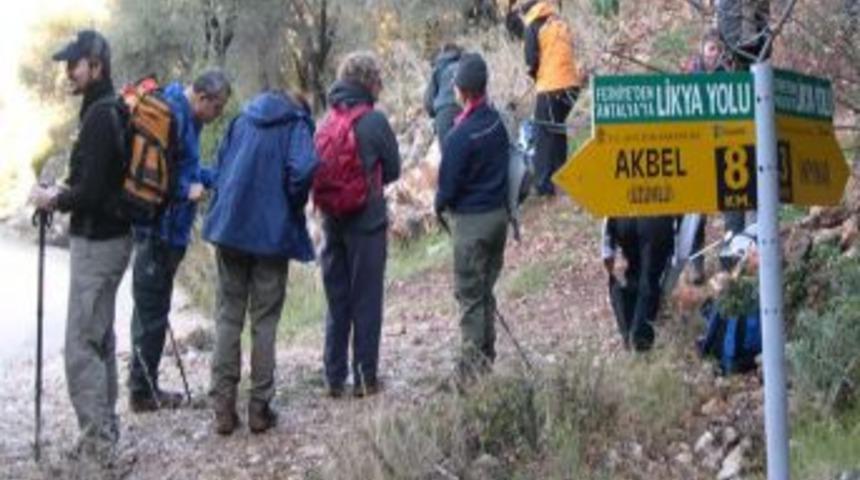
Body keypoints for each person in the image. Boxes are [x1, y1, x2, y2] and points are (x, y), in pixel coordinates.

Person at [29, 29, 132, 461]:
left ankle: (101, 449)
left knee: (79, 347)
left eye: (76, 64)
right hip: (112, 239)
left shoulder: (99, 116)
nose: (70, 71)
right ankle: (102, 433)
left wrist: (54, 197)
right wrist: (65, 190)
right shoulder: (108, 109)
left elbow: (90, 191)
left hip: (99, 242)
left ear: (97, 65)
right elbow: (98, 181)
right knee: (99, 339)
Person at [202, 89, 318, 435]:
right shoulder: (295, 125)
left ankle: (223, 408)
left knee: (227, 317)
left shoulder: (241, 120)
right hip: (270, 235)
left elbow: (220, 167)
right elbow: (305, 167)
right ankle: (259, 408)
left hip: (230, 229)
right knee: (264, 321)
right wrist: (292, 202)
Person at [128, 70, 231, 413]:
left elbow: (185, 168)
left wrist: (217, 176)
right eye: (216, 107)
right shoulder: (172, 115)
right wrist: (186, 191)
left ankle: (144, 385)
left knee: (153, 309)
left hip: (167, 230)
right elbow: (160, 178)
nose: (217, 115)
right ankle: (142, 392)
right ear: (202, 97)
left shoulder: (183, 116)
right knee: (152, 312)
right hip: (158, 230)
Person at [319, 52, 401, 398]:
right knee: (366, 300)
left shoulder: (326, 120)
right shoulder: (373, 121)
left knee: (337, 300)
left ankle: (333, 378)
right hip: (366, 221)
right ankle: (366, 379)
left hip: (331, 221)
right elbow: (394, 169)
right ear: (369, 82)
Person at [435, 52, 509, 381]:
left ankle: (471, 375)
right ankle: (486, 359)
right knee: (485, 291)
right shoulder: (496, 122)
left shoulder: (459, 136)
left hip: (472, 223)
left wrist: (438, 206)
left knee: (469, 297)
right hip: (498, 218)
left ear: (462, 92)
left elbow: (447, 188)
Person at [517, 0, 582, 196]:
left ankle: (543, 184)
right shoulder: (558, 20)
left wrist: (536, 77)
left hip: (552, 85)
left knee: (544, 133)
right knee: (557, 128)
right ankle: (561, 175)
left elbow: (530, 61)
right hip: (572, 84)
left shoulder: (533, 26)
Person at [602, 216, 676, 352]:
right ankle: (640, 344)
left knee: (627, 275)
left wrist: (607, 249)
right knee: (649, 279)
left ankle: (628, 334)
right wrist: (667, 286)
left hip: (624, 213)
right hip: (659, 215)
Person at [423, 43, 463, 144]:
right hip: (466, 109)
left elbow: (428, 102)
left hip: (444, 114)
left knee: (450, 155)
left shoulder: (438, 68)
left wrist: (434, 116)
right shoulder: (465, 64)